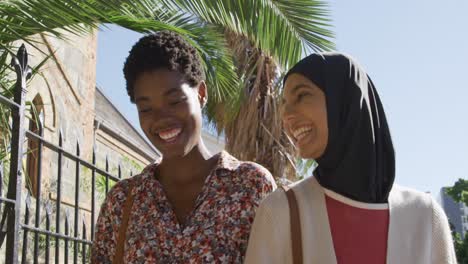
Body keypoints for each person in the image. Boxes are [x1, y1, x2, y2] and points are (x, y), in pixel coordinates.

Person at [244, 52, 456, 264]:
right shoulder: (280, 211)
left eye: (301, 96)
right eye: (283, 103)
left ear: (345, 100)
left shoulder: (426, 216)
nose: (286, 114)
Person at [91, 31, 276, 263]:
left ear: (201, 94)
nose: (161, 118)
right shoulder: (122, 202)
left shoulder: (251, 186)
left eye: (175, 101)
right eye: (146, 108)